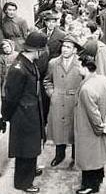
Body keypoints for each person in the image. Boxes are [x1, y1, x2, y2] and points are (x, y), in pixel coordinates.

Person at [1, 31, 48, 193]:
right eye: (42, 50)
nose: (43, 53)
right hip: (23, 115)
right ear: (36, 50)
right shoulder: (19, 69)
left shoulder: (27, 62)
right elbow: (10, 97)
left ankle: (30, 170)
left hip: (31, 113)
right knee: (25, 148)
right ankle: (23, 182)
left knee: (32, 145)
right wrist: (4, 116)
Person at [44, 34, 83, 167]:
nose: (64, 49)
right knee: (59, 130)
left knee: (75, 129)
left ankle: (75, 156)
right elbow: (47, 81)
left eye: (68, 47)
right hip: (58, 101)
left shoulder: (81, 63)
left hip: (75, 102)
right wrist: (51, 93)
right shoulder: (53, 63)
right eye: (63, 46)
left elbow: (87, 81)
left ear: (75, 50)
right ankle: (59, 155)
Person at [74, 57, 106, 194]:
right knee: (97, 157)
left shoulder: (86, 88)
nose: (78, 69)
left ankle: (89, 186)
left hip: (88, 129)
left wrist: (99, 128)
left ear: (85, 68)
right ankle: (98, 179)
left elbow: (93, 113)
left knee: (88, 159)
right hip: (100, 124)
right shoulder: (103, 80)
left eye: (79, 66)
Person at [0, 40, 18, 106]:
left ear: (11, 46)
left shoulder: (17, 55)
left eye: (8, 46)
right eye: (4, 48)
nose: (6, 49)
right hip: (6, 79)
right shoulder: (2, 57)